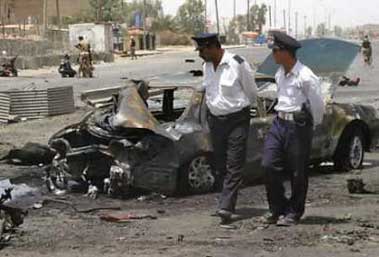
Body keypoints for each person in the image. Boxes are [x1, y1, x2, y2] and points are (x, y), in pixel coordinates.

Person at [192, 33, 257, 224]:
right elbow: (209, 91)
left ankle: (226, 207)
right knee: (219, 164)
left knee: (234, 163)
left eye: (202, 50)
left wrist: (241, 109)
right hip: (216, 121)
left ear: (213, 47)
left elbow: (252, 93)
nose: (200, 54)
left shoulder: (237, 63)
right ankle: (225, 200)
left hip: (237, 120)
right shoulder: (206, 66)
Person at [261, 31, 325, 226]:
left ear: (286, 52)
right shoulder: (280, 73)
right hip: (279, 123)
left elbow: (318, 105)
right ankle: (277, 207)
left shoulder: (306, 76)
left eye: (275, 51)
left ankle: (294, 211)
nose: (273, 55)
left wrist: (311, 126)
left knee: (298, 172)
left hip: (298, 126)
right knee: (268, 165)